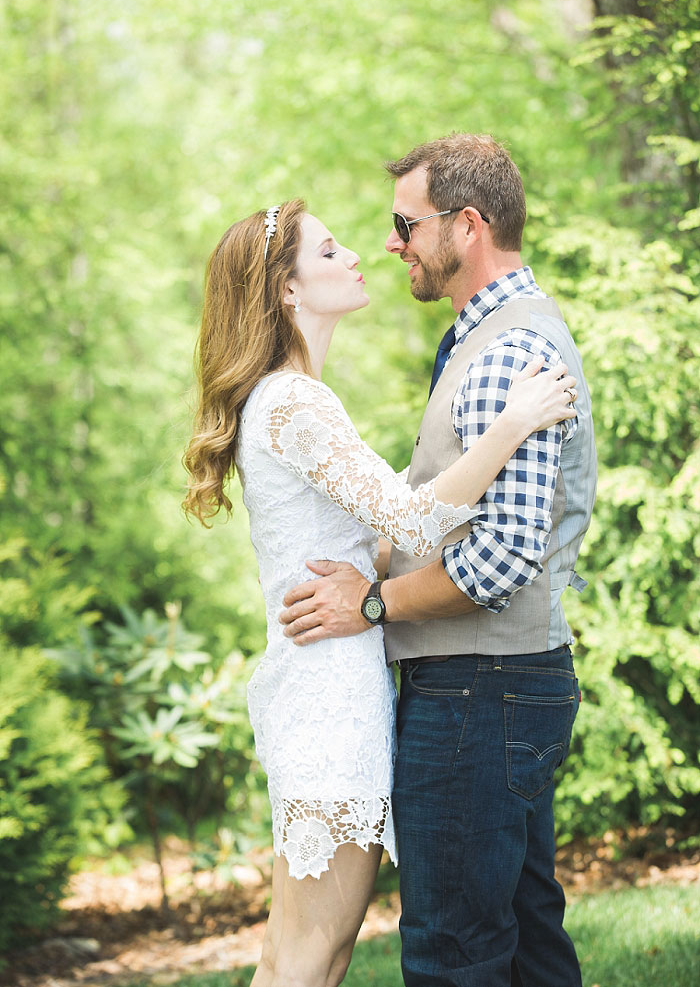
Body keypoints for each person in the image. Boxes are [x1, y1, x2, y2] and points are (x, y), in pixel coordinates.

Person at [182, 196, 578, 987]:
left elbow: (382, 527)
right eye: (329, 253)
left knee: (303, 951)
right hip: (329, 700)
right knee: (310, 955)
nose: (361, 254)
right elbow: (415, 522)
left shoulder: (292, 397)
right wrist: (512, 424)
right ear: (287, 291)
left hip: (330, 689)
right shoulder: (294, 402)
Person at [279, 135, 597, 987]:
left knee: (454, 953)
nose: (391, 244)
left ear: (467, 225)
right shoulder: (487, 339)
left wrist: (371, 604)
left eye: (403, 224)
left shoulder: (502, 356)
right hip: (493, 691)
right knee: (525, 945)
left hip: (475, 692)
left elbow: (496, 563)